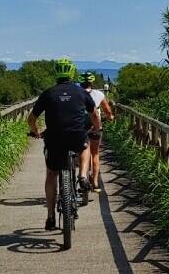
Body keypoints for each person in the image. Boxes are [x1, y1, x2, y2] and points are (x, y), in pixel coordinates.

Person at [28, 58, 100, 231]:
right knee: (85, 147)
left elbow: (31, 118)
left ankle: (50, 217)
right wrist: (96, 129)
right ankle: (82, 176)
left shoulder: (48, 93)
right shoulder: (81, 92)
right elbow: (95, 115)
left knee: (51, 174)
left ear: (56, 74)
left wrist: (35, 131)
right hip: (76, 135)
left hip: (54, 138)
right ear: (72, 73)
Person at [80, 72, 115, 191]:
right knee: (95, 153)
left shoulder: (76, 94)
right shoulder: (99, 94)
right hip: (95, 126)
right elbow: (107, 110)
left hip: (79, 127)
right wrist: (110, 117)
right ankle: (95, 183)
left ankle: (82, 175)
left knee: (81, 152)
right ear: (92, 82)